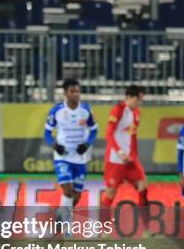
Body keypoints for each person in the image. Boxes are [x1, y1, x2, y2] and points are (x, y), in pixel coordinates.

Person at [44, 78, 98, 225]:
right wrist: (54, 145)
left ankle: (59, 217)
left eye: (78, 91)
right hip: (63, 156)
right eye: (72, 91)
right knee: (67, 190)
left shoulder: (86, 111)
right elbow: (47, 133)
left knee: (76, 196)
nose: (76, 94)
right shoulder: (57, 111)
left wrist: (87, 144)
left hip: (80, 157)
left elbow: (94, 131)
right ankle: (62, 224)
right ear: (66, 93)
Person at [101, 85, 148, 217]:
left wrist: (133, 155)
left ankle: (145, 227)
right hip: (115, 160)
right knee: (111, 193)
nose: (139, 103)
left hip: (130, 159)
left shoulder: (136, 113)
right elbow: (108, 134)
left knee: (143, 186)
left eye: (141, 100)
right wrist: (120, 152)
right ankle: (103, 229)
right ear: (129, 97)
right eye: (137, 100)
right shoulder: (118, 110)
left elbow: (132, 135)